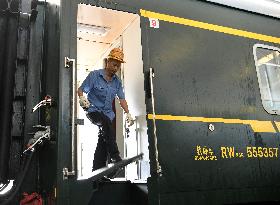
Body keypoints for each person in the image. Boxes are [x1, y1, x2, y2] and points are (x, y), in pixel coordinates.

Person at [77, 48, 134, 171]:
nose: (115, 68)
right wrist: (81, 98)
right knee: (106, 123)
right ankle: (115, 157)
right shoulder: (94, 75)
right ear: (108, 62)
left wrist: (128, 113)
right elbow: (81, 89)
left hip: (108, 115)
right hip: (93, 111)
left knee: (103, 140)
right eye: (114, 64)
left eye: (118, 66)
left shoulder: (117, 82)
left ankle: (97, 171)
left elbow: (122, 99)